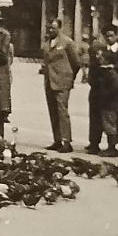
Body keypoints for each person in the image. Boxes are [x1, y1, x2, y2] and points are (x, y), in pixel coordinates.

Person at [39, 19, 79, 152]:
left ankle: (66, 142)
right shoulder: (46, 42)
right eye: (49, 28)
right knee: (53, 111)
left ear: (60, 28)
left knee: (62, 111)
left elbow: (76, 62)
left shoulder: (67, 42)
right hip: (49, 81)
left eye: (53, 28)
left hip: (63, 81)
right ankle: (57, 140)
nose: (51, 30)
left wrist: (69, 76)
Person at [87, 25, 118, 157]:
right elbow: (93, 69)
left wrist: (111, 67)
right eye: (106, 36)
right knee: (95, 118)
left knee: (110, 120)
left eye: (111, 35)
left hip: (111, 92)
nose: (109, 38)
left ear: (117, 36)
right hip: (98, 90)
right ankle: (94, 144)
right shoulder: (100, 51)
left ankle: (112, 146)